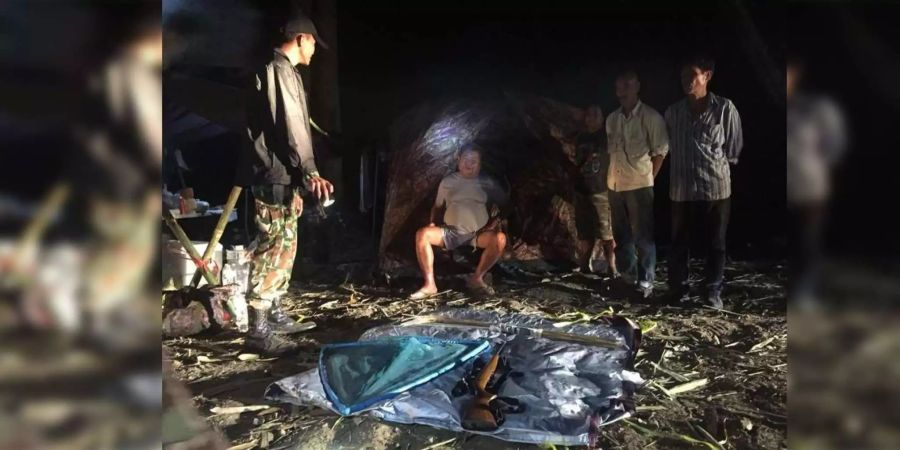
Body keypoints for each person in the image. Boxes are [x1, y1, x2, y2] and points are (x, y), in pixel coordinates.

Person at [237, 11, 334, 354]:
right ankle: (258, 330)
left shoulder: (284, 71)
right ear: (301, 39)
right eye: (313, 43)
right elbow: (290, 127)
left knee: (285, 244)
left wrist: (299, 181)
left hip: (284, 176)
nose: (315, 50)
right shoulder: (277, 71)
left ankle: (275, 313)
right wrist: (309, 170)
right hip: (275, 174)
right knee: (273, 247)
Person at [664, 55, 744, 309]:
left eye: (692, 75)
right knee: (678, 242)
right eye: (683, 76)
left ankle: (712, 291)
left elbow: (733, 148)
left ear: (707, 75)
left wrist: (716, 168)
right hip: (682, 188)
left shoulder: (724, 108)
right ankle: (678, 290)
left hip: (715, 188)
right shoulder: (673, 112)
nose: (686, 81)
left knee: (715, 243)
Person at [786, 55, 846, 305]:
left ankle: (806, 292)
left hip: (810, 186)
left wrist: (818, 171)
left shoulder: (816, 107)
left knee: (809, 241)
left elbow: (835, 146)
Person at [411, 145, 508, 299]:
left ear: (480, 163)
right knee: (422, 234)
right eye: (465, 159)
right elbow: (437, 207)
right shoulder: (448, 182)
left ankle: (477, 278)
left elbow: (503, 204)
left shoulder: (487, 183)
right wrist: (432, 222)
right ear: (458, 160)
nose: (469, 164)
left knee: (500, 239)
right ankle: (430, 284)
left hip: (477, 234)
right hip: (451, 231)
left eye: (473, 161)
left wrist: (495, 221)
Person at [605, 70, 669, 298]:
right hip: (615, 184)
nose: (622, 90)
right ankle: (627, 277)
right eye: (619, 86)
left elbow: (660, 152)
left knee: (643, 237)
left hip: (639, 185)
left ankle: (646, 282)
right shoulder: (612, 119)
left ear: (637, 87)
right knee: (622, 236)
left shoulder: (651, 117)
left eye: (627, 85)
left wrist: (648, 179)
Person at [575, 105, 617, 277]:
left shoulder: (607, 137)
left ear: (602, 117)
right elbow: (577, 162)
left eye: (595, 115)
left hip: (601, 190)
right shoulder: (581, 138)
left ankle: (612, 268)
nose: (591, 118)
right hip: (582, 190)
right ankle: (585, 265)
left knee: (606, 233)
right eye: (588, 115)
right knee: (585, 232)